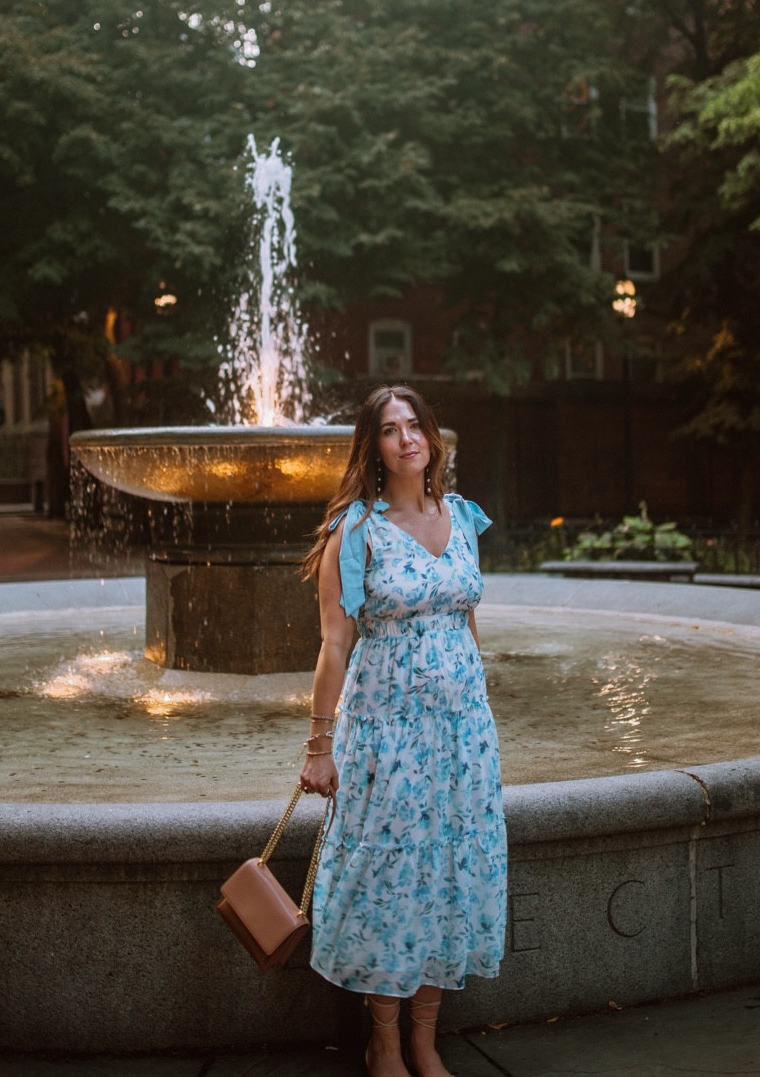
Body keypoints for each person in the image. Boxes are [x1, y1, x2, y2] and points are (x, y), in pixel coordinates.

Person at [300, 385, 507, 1077]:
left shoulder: (462, 517)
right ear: (375, 447)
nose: (406, 438)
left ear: (431, 437)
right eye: (389, 430)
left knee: (449, 873)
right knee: (390, 876)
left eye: (415, 425)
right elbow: (334, 644)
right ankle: (383, 1040)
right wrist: (319, 746)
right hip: (387, 732)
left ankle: (425, 1037)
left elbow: (465, 618)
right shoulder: (354, 531)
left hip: (461, 734)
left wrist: (477, 708)